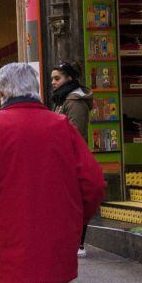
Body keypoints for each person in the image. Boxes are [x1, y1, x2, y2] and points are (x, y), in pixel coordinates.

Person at [0, 63, 105, 283]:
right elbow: (94, 183)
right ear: (36, 90)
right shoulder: (62, 126)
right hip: (57, 237)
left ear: (1, 92)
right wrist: (74, 221)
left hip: (8, 237)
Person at [51, 61, 94, 257]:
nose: (53, 82)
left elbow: (75, 135)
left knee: (75, 202)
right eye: (52, 78)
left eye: (57, 78)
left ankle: (79, 244)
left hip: (72, 159)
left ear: (69, 78)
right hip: (62, 158)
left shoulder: (75, 102)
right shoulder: (63, 99)